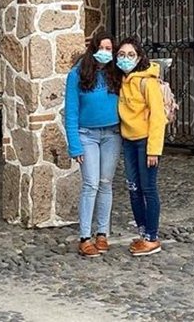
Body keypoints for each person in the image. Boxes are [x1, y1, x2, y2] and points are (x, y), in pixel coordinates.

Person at [64, 35, 122, 258]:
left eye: (110, 48)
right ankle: (85, 237)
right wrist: (74, 145)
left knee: (106, 183)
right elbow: (71, 112)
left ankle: (102, 233)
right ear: (93, 48)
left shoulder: (115, 73)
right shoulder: (77, 75)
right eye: (102, 47)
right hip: (86, 135)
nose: (106, 52)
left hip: (112, 135)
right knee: (91, 184)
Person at [109, 37, 167, 257]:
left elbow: (157, 117)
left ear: (139, 57)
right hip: (129, 141)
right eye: (121, 55)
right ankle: (143, 233)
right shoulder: (121, 81)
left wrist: (154, 149)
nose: (125, 59)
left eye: (130, 54)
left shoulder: (147, 82)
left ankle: (152, 237)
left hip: (145, 142)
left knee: (148, 188)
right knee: (134, 189)